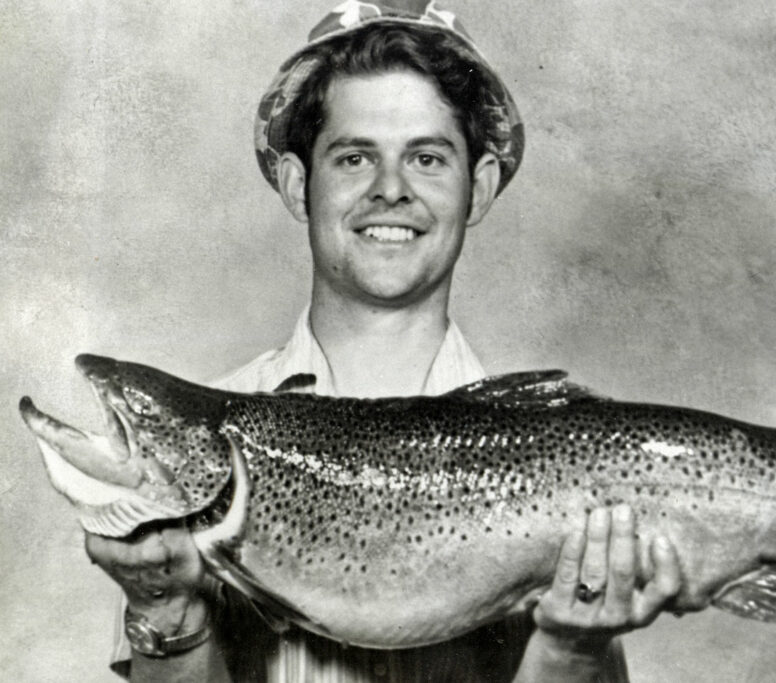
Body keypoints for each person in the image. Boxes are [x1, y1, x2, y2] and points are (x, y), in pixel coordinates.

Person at [84, 2, 684, 681]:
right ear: (296, 183)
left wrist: (572, 649)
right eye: (354, 157)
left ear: (478, 188)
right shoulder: (196, 452)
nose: (391, 189)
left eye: (427, 157)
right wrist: (166, 611)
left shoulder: (564, 452)